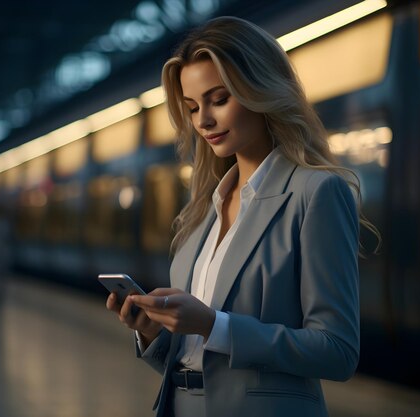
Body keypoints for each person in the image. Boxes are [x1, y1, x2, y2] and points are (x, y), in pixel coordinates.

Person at [106, 16, 379, 417]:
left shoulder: (316, 192)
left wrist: (214, 324)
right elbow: (200, 361)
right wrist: (152, 334)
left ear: (261, 90)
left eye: (219, 99)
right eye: (193, 107)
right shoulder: (202, 210)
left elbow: (337, 352)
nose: (203, 121)